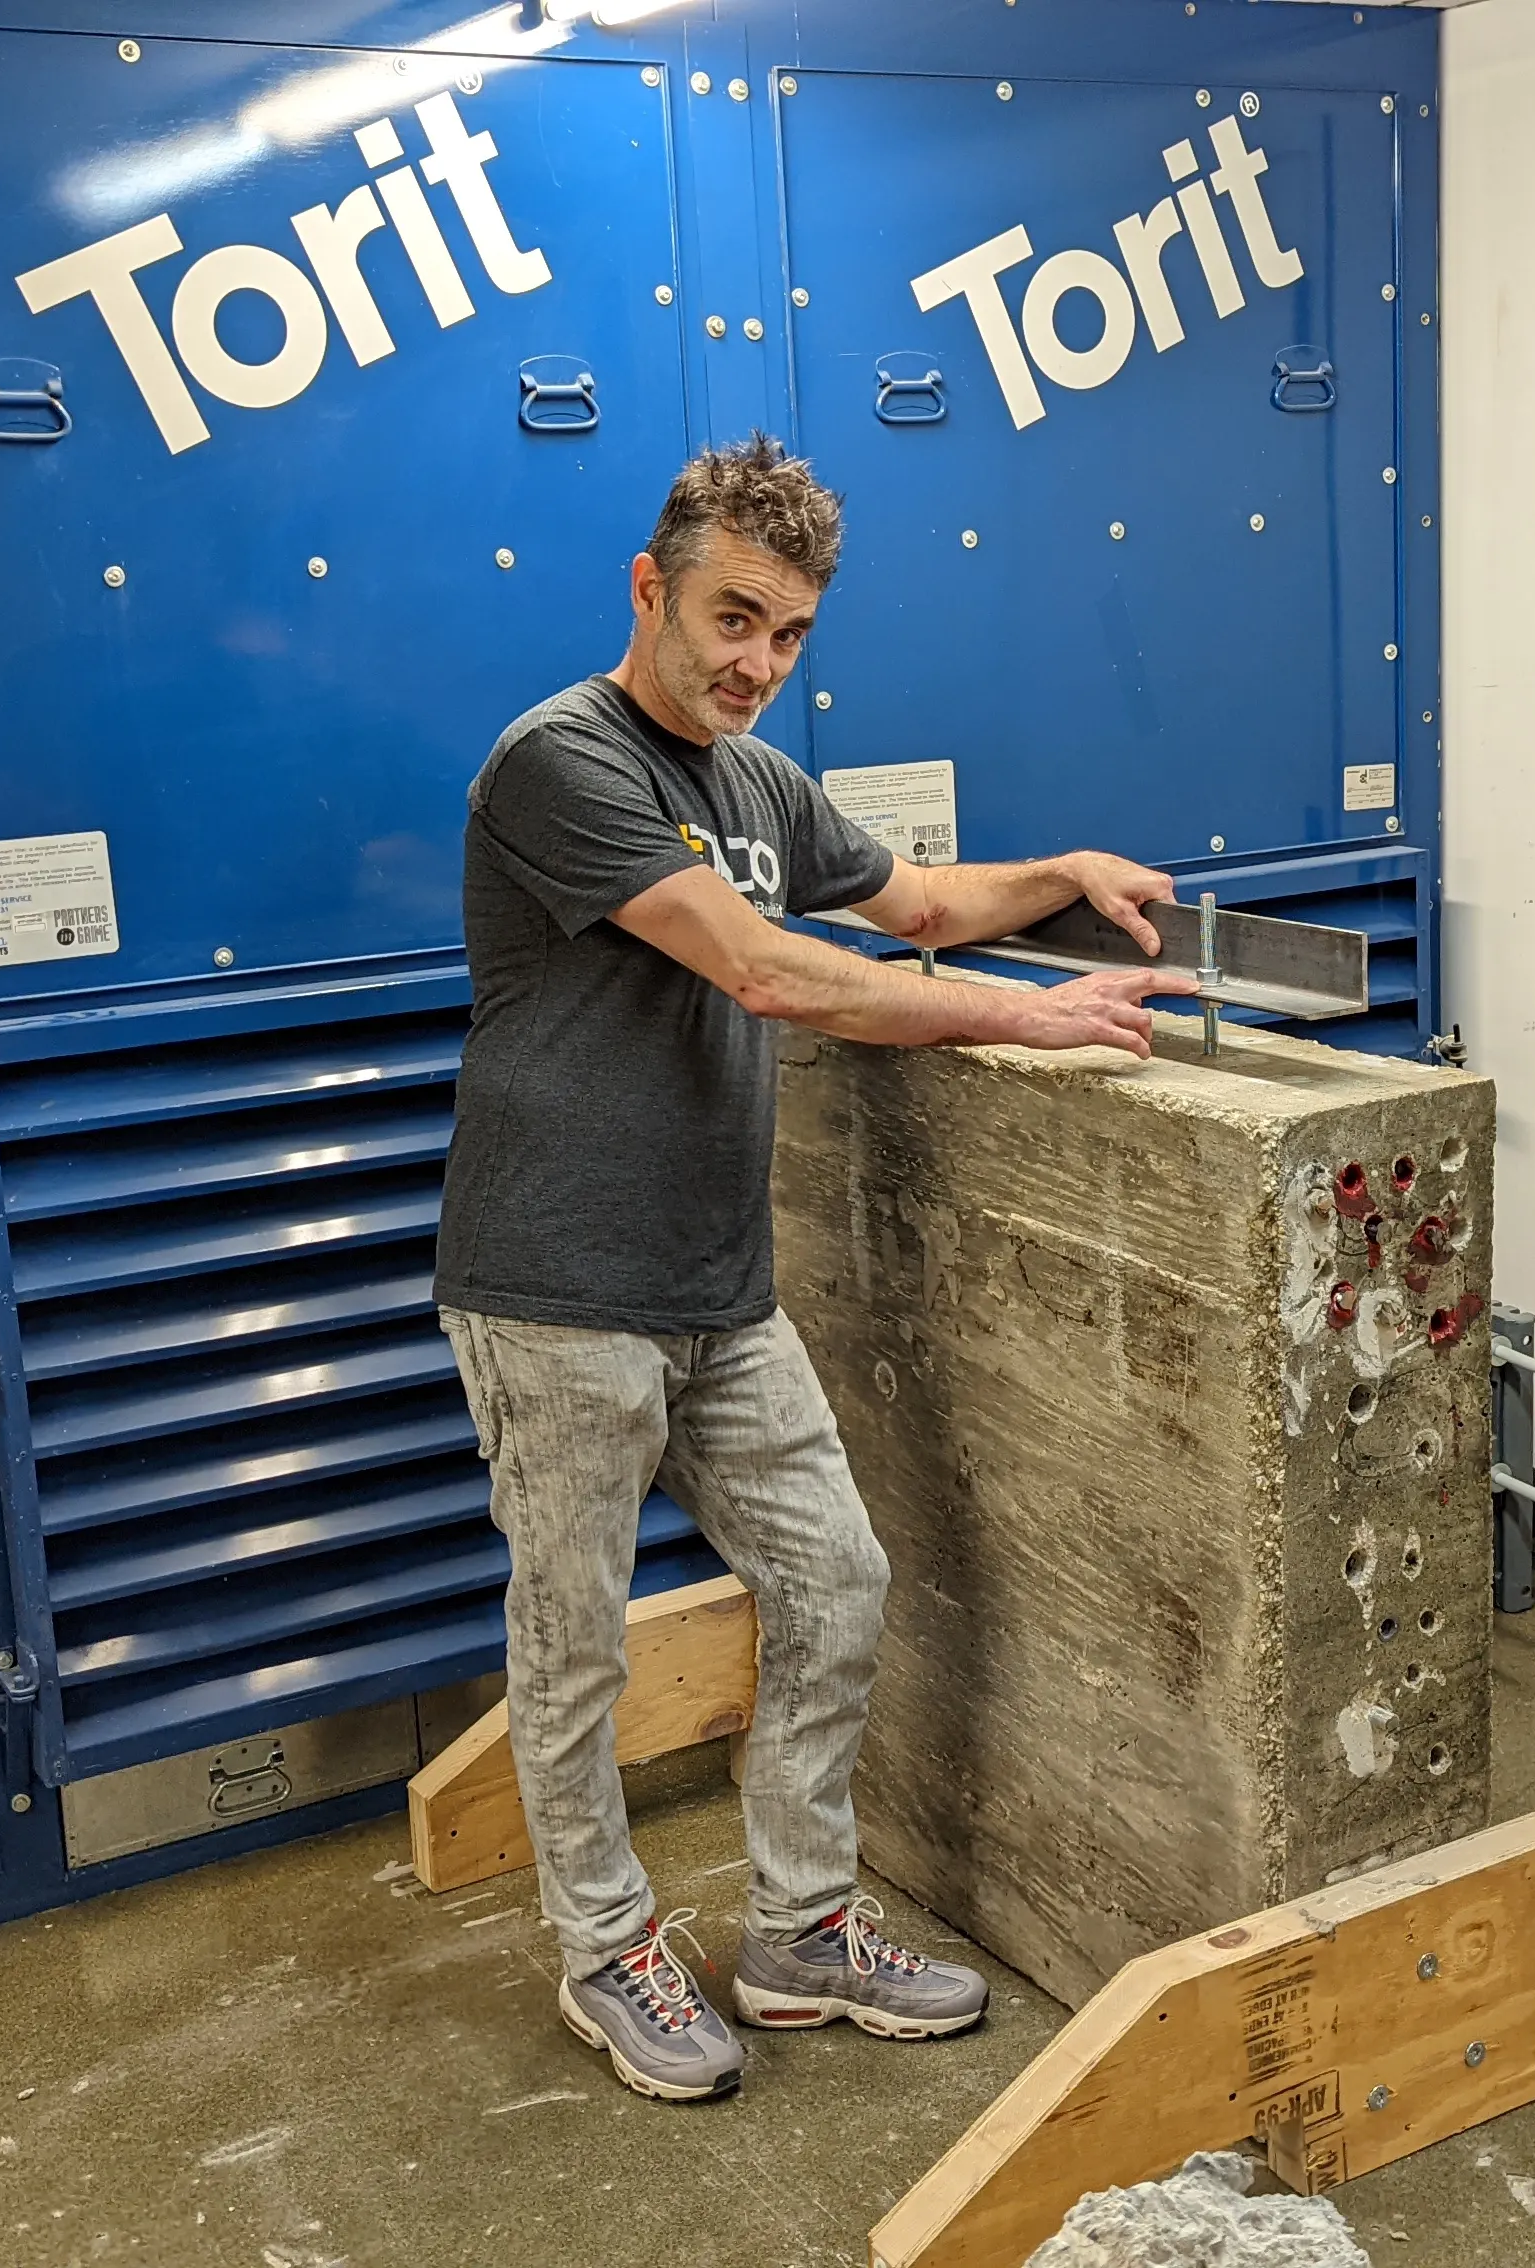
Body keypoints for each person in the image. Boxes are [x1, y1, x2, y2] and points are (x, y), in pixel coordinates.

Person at [433, 435, 1196, 2102]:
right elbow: (771, 972)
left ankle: (797, 1930)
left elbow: (918, 900)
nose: (756, 666)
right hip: (556, 1293)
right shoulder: (562, 763)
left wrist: (1057, 877)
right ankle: (606, 1944)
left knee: (838, 1582)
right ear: (651, 588)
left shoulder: (759, 782)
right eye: (729, 618)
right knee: (577, 1641)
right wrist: (1031, 1011)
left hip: (717, 1289)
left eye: (788, 635)